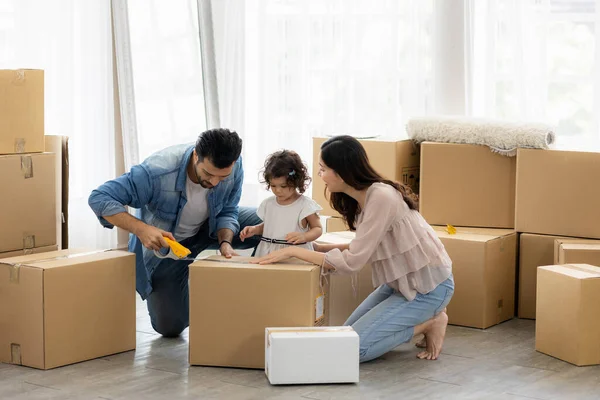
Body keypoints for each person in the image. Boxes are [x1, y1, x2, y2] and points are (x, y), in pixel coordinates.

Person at [253, 135, 454, 361]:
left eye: (323, 169)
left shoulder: (381, 196)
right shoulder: (362, 199)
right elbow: (365, 247)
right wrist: (317, 248)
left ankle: (430, 323)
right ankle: (422, 322)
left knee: (352, 350)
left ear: (341, 172)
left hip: (429, 288)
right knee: (344, 337)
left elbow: (352, 262)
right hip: (400, 284)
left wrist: (293, 251)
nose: (320, 175)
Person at [89, 128, 261, 337]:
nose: (215, 182)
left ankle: (259, 293)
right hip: (169, 247)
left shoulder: (234, 165)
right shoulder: (157, 171)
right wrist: (142, 229)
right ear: (196, 155)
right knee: (168, 326)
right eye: (208, 174)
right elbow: (99, 198)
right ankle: (191, 291)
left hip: (210, 227)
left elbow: (228, 209)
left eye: (222, 177)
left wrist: (226, 242)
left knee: (273, 223)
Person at [240, 150, 323, 256]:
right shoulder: (268, 204)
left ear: (296, 181)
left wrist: (305, 237)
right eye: (273, 186)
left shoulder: (305, 205)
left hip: (295, 254)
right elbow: (271, 226)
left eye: (283, 186)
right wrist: (255, 229)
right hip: (267, 251)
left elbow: (318, 228)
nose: (278, 190)